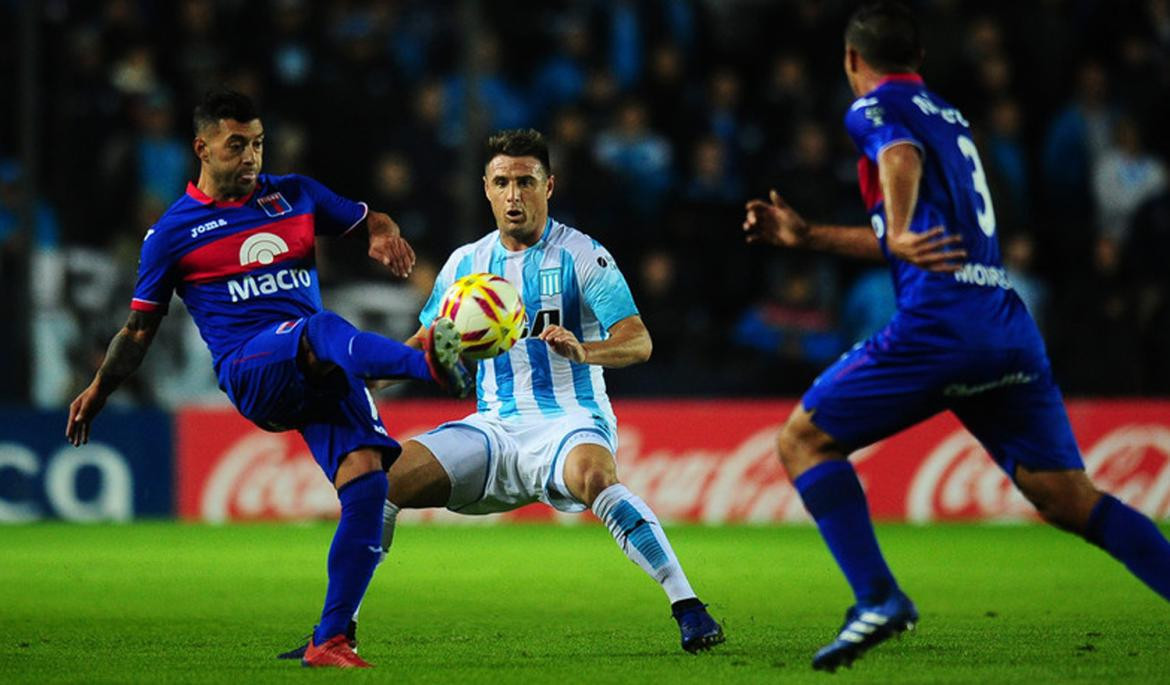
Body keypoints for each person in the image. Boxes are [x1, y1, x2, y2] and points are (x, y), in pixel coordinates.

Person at [741, 2, 1170, 673]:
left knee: (802, 439)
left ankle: (879, 597)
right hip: (1003, 320)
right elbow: (912, 244)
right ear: (919, 59)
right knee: (1068, 497)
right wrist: (813, 236)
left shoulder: (875, 108)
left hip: (939, 327)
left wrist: (900, 218)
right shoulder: (949, 114)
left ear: (854, 59)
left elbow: (898, 165)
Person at [64, 89, 471, 669]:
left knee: (368, 483)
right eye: (237, 145)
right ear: (201, 148)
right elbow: (136, 333)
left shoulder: (295, 196)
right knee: (320, 327)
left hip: (318, 367)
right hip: (253, 371)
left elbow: (368, 217)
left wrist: (382, 231)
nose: (252, 156)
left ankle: (330, 639)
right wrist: (99, 389)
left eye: (257, 143)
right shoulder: (171, 234)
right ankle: (430, 362)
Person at [280, 128, 724, 659]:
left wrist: (586, 350)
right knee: (382, 482)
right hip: (494, 427)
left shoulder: (584, 255)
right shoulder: (465, 265)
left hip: (570, 419)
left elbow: (639, 340)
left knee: (595, 477)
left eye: (525, 181)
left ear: (549, 186)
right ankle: (335, 632)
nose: (514, 194)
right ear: (486, 188)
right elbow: (424, 344)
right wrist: (360, 376)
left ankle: (688, 607)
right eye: (502, 182)